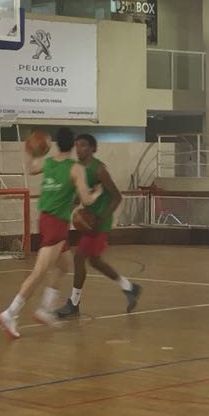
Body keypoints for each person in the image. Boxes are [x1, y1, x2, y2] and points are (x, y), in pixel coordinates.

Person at [0, 127, 98, 339]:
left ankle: (45, 308)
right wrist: (98, 191)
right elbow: (86, 200)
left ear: (56, 145)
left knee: (64, 265)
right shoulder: (75, 168)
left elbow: (31, 169)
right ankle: (10, 312)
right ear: (72, 146)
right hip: (56, 224)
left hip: (45, 220)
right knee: (38, 273)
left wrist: (31, 151)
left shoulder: (49, 162)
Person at [57, 133, 141, 317]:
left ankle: (74, 303)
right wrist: (66, 209)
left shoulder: (99, 170)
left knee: (79, 258)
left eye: (84, 145)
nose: (79, 149)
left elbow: (117, 197)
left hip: (99, 221)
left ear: (93, 148)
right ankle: (129, 287)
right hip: (90, 220)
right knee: (94, 260)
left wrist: (102, 217)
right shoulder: (79, 169)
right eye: (77, 145)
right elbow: (80, 195)